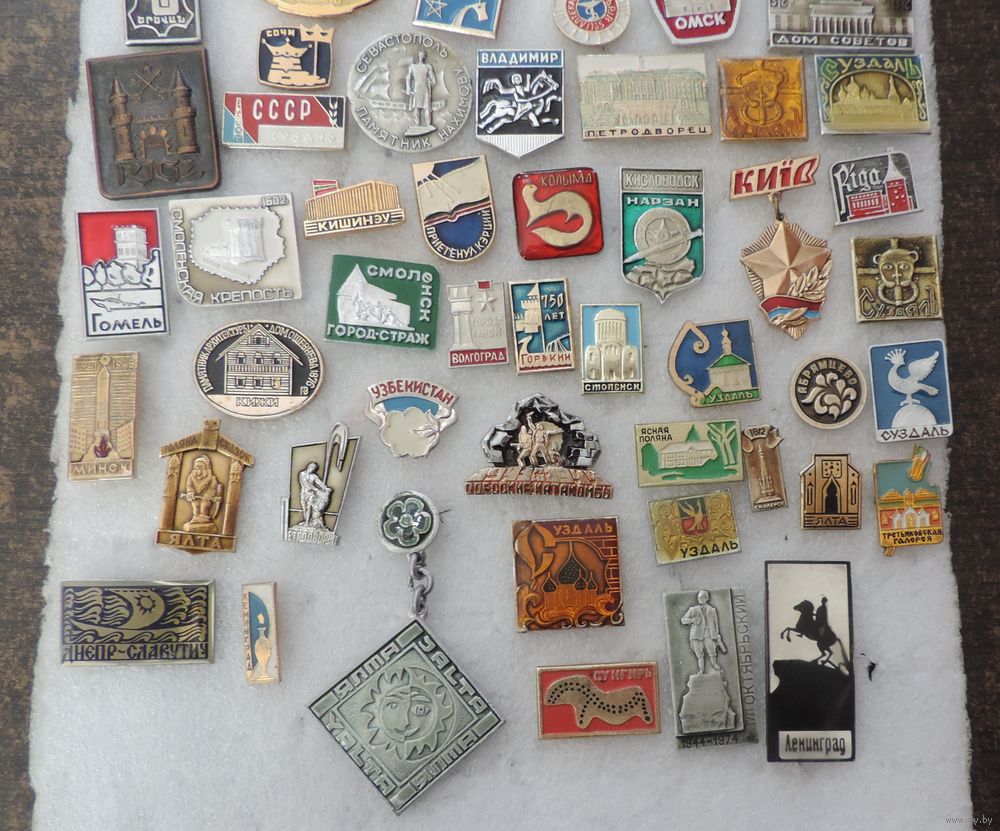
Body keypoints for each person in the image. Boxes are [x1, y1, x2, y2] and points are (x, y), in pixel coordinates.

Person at [681, 590, 727, 674]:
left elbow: (715, 623)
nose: (699, 599)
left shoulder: (712, 610)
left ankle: (714, 664)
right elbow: (683, 620)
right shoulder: (693, 609)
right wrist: (692, 620)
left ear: (707, 598)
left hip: (708, 633)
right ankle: (701, 670)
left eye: (702, 597)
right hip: (696, 634)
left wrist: (716, 634)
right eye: (699, 597)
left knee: (712, 650)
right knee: (699, 654)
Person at [298, 461, 332, 528]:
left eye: (314, 468)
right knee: (304, 508)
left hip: (311, 494)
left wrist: (326, 488)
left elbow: (319, 483)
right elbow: (306, 483)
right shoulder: (302, 474)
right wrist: (316, 489)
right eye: (311, 467)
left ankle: (307, 523)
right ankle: (306, 521)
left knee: (309, 507)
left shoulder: (314, 476)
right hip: (304, 494)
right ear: (308, 466)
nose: (312, 468)